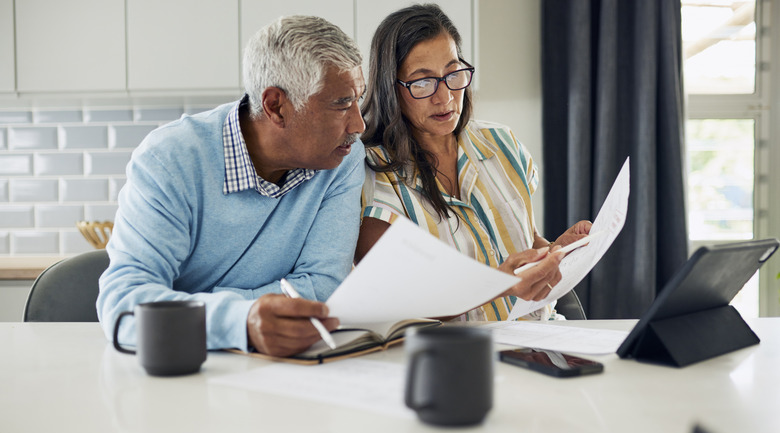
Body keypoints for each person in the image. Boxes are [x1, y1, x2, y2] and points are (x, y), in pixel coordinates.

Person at [98, 15, 366, 357]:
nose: (358, 123)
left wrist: (200, 310)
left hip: (282, 370)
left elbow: (322, 289)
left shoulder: (342, 157)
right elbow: (125, 304)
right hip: (181, 367)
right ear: (276, 107)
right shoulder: (170, 159)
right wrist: (241, 321)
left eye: (358, 99)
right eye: (341, 103)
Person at [356, 4, 591, 321]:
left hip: (543, 339)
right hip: (458, 357)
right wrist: (501, 285)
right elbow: (398, 300)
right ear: (391, 88)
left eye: (453, 74)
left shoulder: (501, 143)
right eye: (422, 82)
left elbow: (525, 237)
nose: (445, 98)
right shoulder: (370, 178)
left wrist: (555, 252)